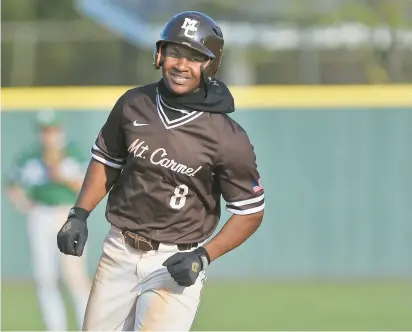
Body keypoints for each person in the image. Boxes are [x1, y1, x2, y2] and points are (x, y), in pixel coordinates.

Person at [57, 10, 265, 331]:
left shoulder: (227, 136)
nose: (181, 65)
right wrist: (79, 214)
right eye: (174, 52)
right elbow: (107, 160)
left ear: (210, 65)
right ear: (160, 54)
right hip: (119, 251)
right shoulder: (133, 103)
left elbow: (250, 211)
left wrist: (203, 256)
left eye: (195, 57)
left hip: (175, 260)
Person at [6, 110, 92, 331]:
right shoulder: (31, 157)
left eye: (53, 130)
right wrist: (24, 205)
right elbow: (12, 184)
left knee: (76, 278)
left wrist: (60, 175)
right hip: (41, 215)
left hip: (69, 215)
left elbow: (88, 186)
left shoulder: (74, 154)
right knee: (46, 277)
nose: (49, 135)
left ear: (61, 130)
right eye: (45, 131)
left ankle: (88, 326)